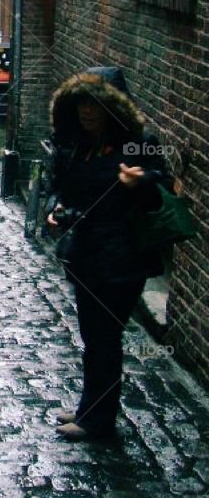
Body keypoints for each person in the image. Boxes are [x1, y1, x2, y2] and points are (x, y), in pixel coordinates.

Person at [46, 67, 171, 440]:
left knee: (104, 338)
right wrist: (55, 210)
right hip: (86, 256)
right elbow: (59, 189)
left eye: (95, 105)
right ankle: (90, 407)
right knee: (93, 337)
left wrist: (141, 182)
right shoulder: (77, 145)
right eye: (82, 104)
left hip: (122, 259)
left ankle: (97, 420)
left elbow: (164, 189)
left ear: (112, 108)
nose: (87, 112)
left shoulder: (137, 145)